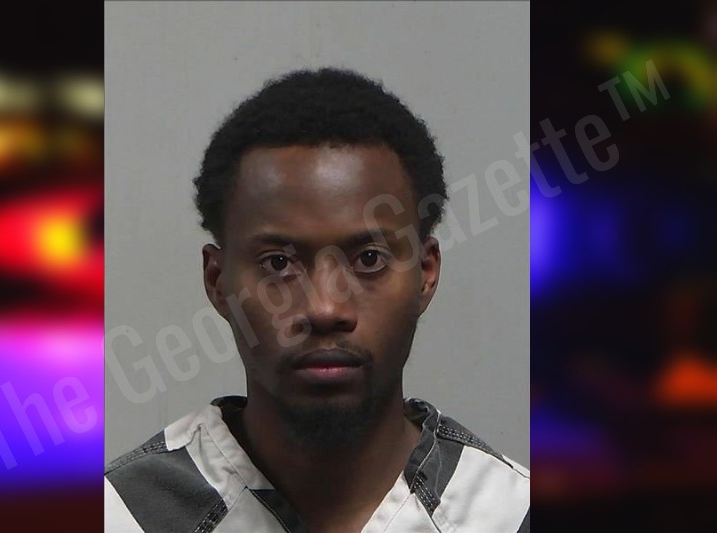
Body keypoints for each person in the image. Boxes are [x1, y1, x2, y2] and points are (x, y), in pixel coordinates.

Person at [105, 67, 529, 532]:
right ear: (217, 280)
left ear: (425, 273)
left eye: (369, 258)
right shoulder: (122, 517)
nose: (325, 308)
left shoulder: (508, 516)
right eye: (277, 263)